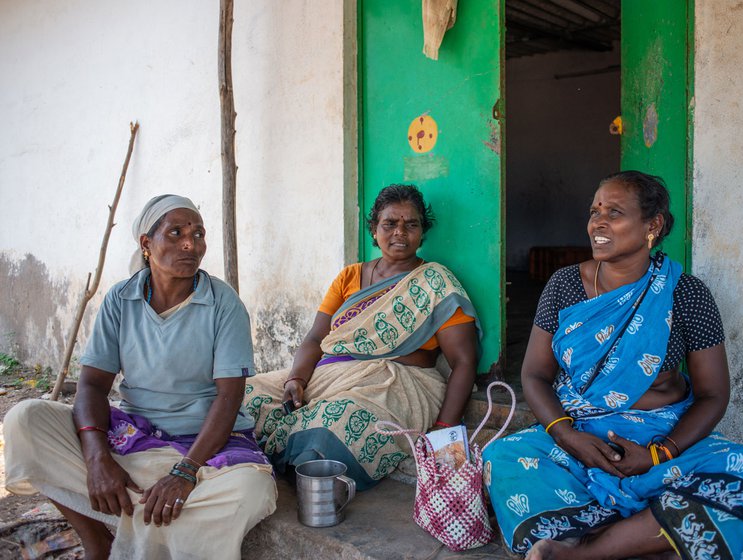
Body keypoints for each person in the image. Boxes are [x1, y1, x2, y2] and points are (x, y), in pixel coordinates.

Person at [483, 171, 743, 560]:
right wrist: (566, 435)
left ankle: (581, 550)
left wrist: (660, 454)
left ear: (652, 225)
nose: (598, 223)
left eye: (615, 212)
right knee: (503, 458)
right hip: (580, 437)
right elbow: (535, 375)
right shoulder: (564, 285)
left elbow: (713, 394)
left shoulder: (687, 294)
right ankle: (656, 535)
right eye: (595, 212)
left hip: (663, 444)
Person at [4, 195, 277, 560]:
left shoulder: (222, 304)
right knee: (26, 419)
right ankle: (98, 542)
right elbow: (92, 386)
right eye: (176, 232)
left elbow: (229, 399)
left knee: (250, 489)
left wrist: (185, 472)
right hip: (134, 438)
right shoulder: (122, 299)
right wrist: (98, 458)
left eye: (198, 234)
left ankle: (145, 517)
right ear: (146, 244)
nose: (190, 244)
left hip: (205, 447)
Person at [245, 184, 480, 490]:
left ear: (423, 231)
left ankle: (288, 469)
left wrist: (443, 428)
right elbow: (316, 337)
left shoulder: (435, 282)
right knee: (243, 395)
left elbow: (464, 360)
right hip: (327, 374)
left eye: (411, 225)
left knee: (335, 423)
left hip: (395, 381)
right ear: (374, 229)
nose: (400, 233)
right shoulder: (349, 277)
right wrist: (296, 380)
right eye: (390, 224)